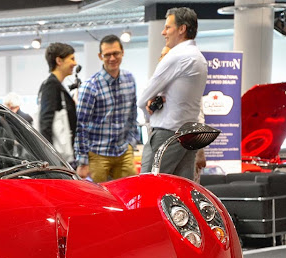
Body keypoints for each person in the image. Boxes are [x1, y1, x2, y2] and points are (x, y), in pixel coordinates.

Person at [137, 7, 207, 179]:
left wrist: (149, 115)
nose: (163, 32)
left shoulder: (176, 57)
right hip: (188, 135)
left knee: (148, 188)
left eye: (168, 27)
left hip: (167, 134)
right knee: (179, 192)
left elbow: (142, 99)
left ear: (182, 29)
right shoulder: (199, 58)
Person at [75, 35, 138, 183]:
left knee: (131, 194)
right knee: (95, 199)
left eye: (115, 53)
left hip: (124, 151)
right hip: (97, 154)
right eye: (107, 55)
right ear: (100, 56)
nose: (112, 58)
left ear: (122, 52)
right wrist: (83, 161)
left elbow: (132, 113)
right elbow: (81, 126)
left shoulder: (129, 79)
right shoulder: (90, 86)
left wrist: (132, 141)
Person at [38, 42, 80, 175]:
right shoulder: (51, 86)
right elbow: (45, 123)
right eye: (72, 59)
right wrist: (50, 158)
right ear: (59, 61)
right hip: (56, 160)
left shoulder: (56, 86)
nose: (75, 63)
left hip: (59, 159)